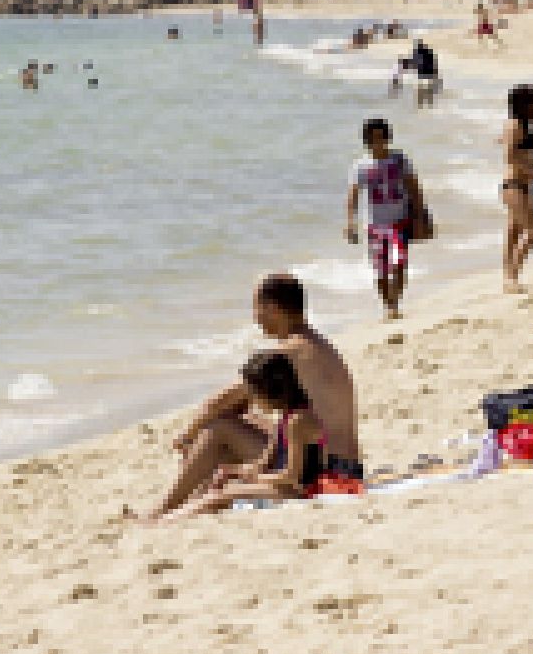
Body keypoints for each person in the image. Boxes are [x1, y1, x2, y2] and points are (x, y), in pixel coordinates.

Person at [147, 274, 361, 519]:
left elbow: (218, 402)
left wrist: (186, 437)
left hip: (321, 472)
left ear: (271, 308)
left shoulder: (288, 352)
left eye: (256, 308)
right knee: (238, 421)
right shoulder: (315, 344)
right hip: (345, 465)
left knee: (219, 429)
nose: (255, 317)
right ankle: (197, 500)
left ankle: (162, 511)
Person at [164, 352, 329, 519]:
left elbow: (292, 476)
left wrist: (254, 478)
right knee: (223, 488)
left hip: (294, 491)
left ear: (270, 391)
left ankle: (161, 522)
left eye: (254, 394)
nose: (253, 401)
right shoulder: (286, 417)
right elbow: (264, 462)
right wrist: (232, 472)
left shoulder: (298, 421)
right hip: (282, 482)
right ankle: (168, 515)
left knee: (217, 498)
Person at [345, 118, 426, 321]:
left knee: (399, 264)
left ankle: (395, 303)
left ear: (388, 137)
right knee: (380, 270)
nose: (378, 142)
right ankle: (387, 306)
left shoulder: (399, 159)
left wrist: (419, 215)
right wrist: (350, 223)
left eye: (381, 137)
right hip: (375, 225)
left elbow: (414, 188)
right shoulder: (361, 166)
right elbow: (353, 196)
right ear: (366, 141)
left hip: (400, 221)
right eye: (373, 138)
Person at [500, 84, 533, 293]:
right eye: (532, 102)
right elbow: (510, 156)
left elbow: (521, 154)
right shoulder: (514, 125)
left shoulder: (524, 125)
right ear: (522, 105)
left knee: (515, 230)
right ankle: (512, 276)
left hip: (523, 185)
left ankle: (508, 276)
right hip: (513, 185)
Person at [409, 40, 440, 108]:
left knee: (421, 90)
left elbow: (416, 63)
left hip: (422, 73)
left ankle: (420, 106)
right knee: (429, 90)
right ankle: (430, 104)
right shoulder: (429, 51)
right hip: (431, 72)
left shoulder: (417, 53)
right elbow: (434, 62)